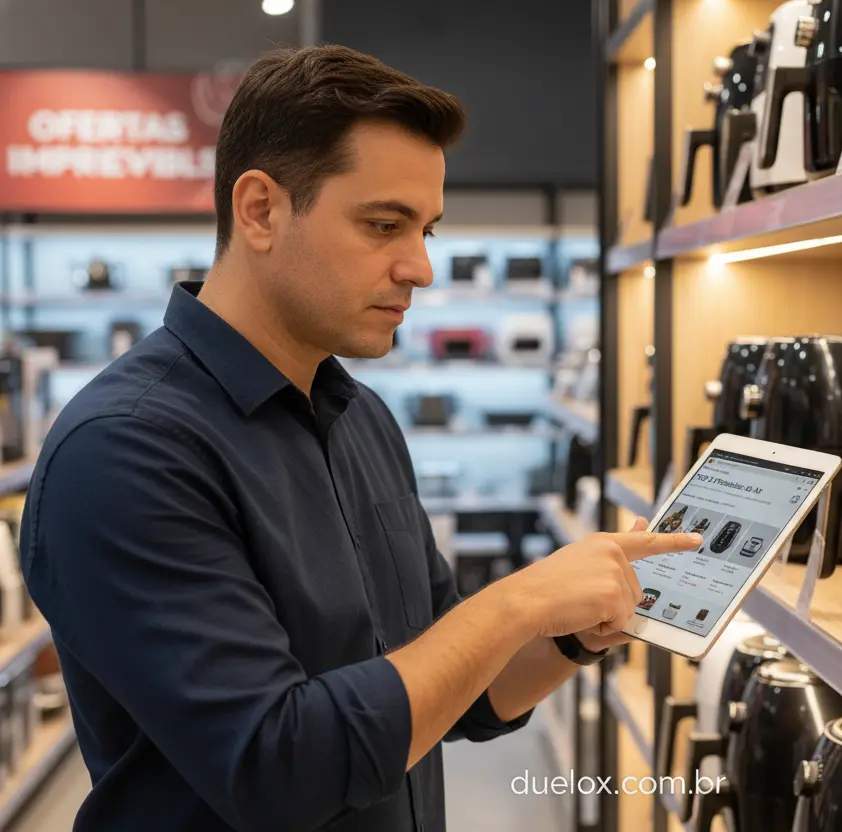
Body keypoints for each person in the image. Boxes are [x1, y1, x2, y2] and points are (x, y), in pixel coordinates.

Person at [18, 45, 701, 831]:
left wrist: (572, 634)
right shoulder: (124, 451)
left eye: (427, 231)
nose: (419, 268)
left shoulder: (360, 418)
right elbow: (277, 767)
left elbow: (463, 689)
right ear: (261, 210)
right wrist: (518, 601)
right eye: (384, 225)